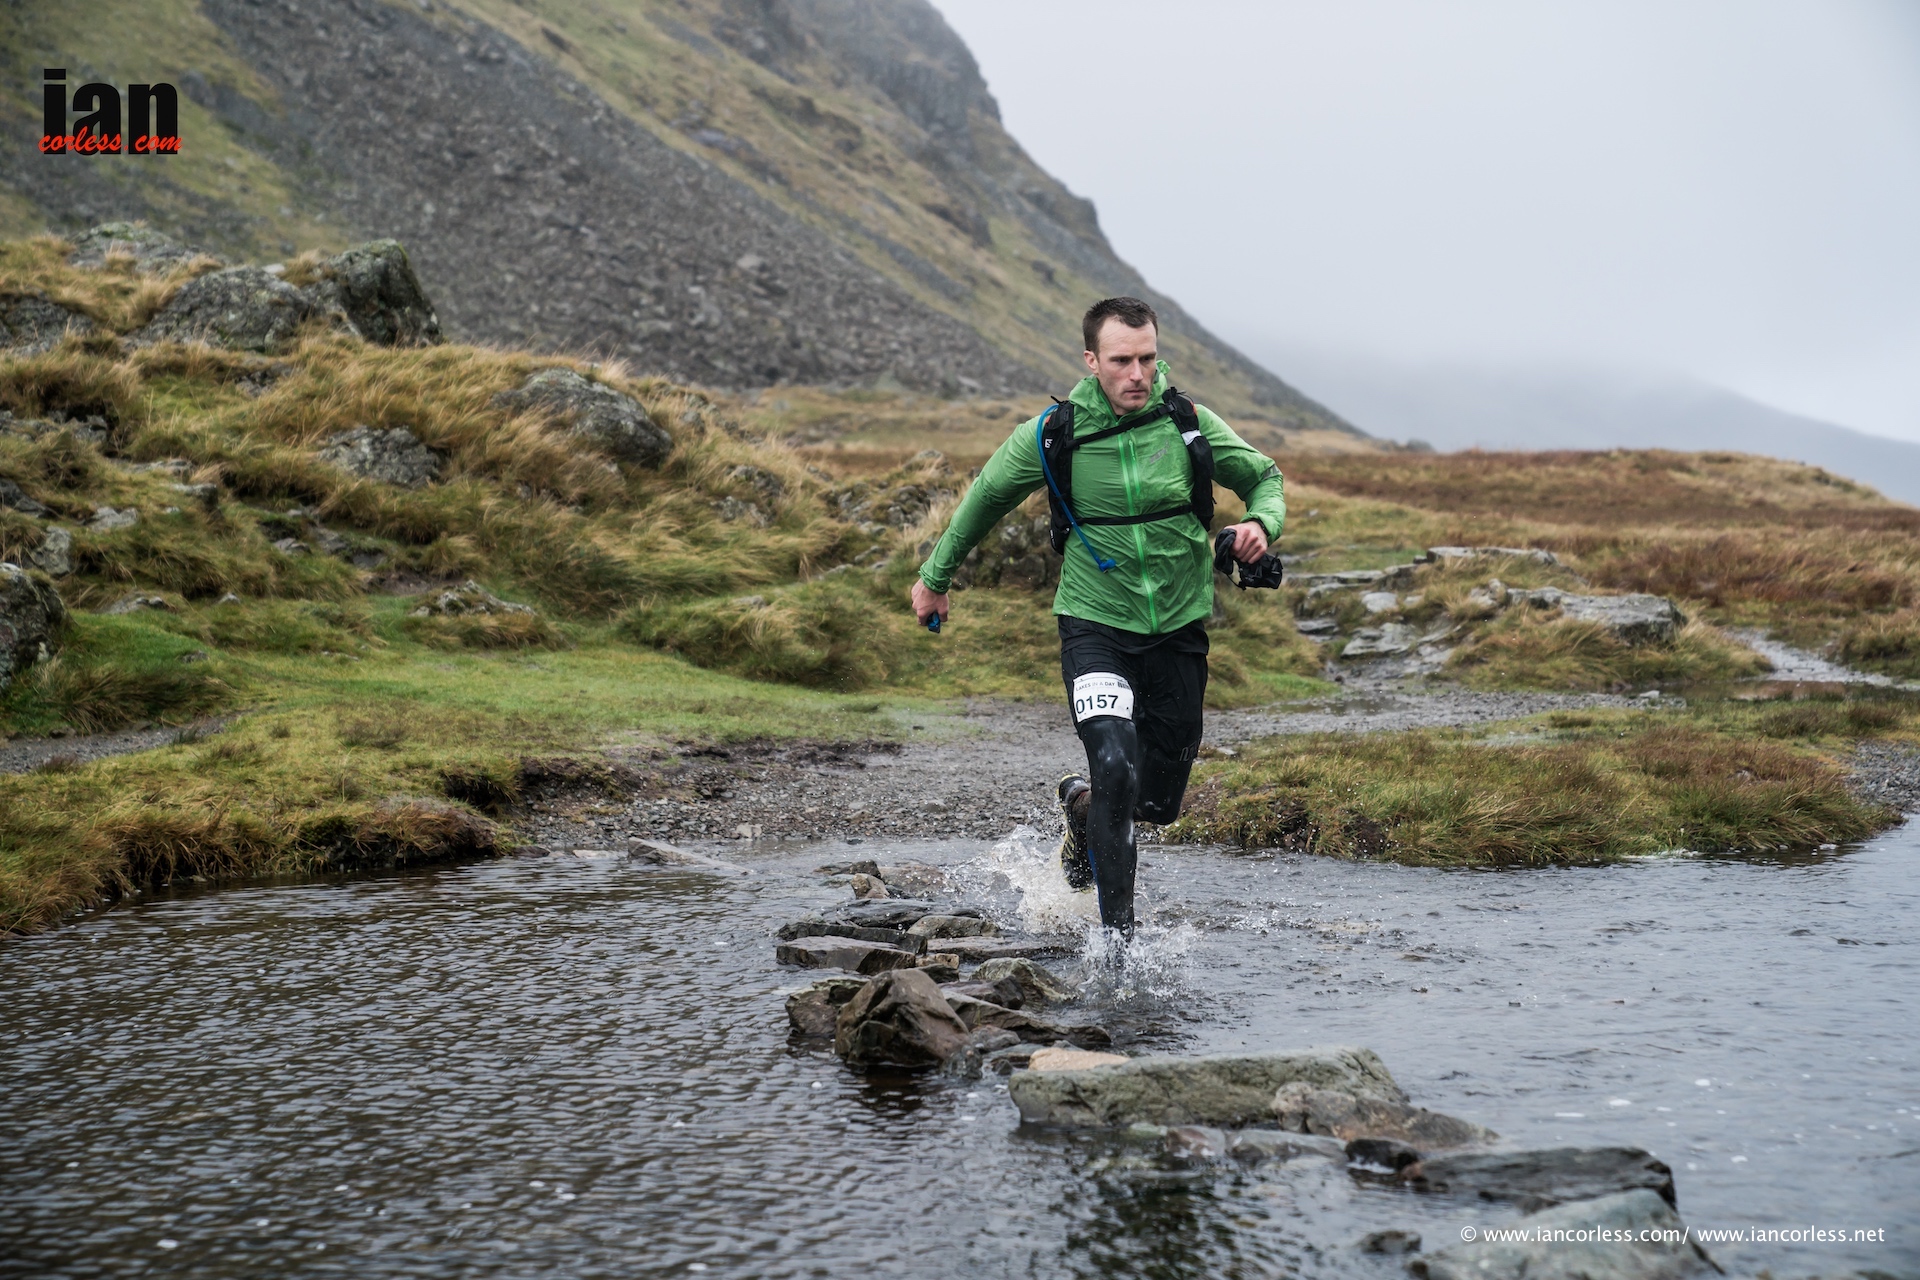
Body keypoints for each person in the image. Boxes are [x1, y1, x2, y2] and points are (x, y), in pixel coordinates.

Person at [910, 297, 1286, 936]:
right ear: (1092, 360)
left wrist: (1259, 524)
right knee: (1115, 764)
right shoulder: (1052, 433)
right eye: (1121, 361)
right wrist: (934, 578)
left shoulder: (1187, 421)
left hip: (1178, 627)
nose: (1137, 374)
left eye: (1147, 358)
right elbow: (988, 497)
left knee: (1156, 804)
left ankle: (1082, 809)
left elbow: (1264, 477)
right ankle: (1119, 949)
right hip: (1094, 625)